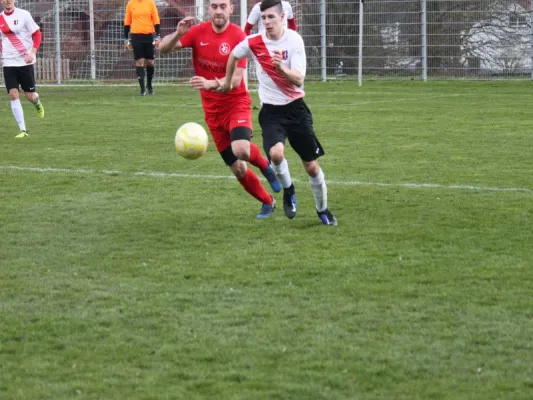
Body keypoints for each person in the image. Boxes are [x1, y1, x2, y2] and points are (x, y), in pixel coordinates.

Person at [158, 0, 282, 219]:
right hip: (212, 113)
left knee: (242, 149)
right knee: (239, 169)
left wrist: (209, 84)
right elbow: (163, 49)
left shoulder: (238, 37)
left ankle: (265, 166)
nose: (218, 11)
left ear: (231, 9)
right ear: (209, 9)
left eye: (222, 6)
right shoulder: (197, 32)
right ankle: (268, 202)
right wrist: (178, 33)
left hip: (236, 104)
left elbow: (234, 81)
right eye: (214, 6)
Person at [220, 0, 337, 225]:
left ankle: (322, 210)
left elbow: (299, 80)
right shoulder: (255, 41)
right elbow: (234, 55)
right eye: (263, 19)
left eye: (271, 18)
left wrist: (280, 68)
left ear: (282, 17)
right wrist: (227, 82)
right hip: (271, 112)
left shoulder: (294, 40)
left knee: (311, 167)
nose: (266, 23)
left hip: (296, 110)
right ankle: (288, 189)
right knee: (276, 154)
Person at [1, 0, 45, 138]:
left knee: (30, 96)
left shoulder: (24, 15)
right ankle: (23, 130)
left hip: (25, 62)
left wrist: (32, 53)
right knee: (13, 94)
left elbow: (37, 34)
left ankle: (37, 102)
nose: (8, 1)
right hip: (8, 62)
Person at [123, 0, 161, 96]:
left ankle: (149, 85)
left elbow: (156, 20)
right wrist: (126, 39)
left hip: (149, 36)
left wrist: (158, 36)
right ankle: (142, 89)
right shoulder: (131, 3)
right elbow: (127, 22)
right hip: (136, 36)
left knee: (150, 62)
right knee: (139, 61)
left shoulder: (150, 3)